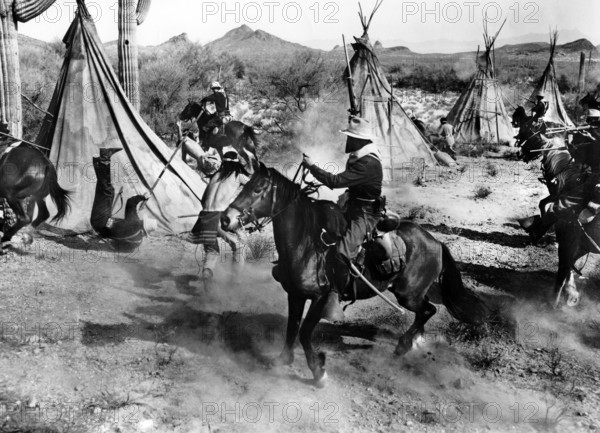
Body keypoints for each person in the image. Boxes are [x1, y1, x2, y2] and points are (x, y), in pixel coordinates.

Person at [302, 116, 384, 322]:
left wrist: (312, 167)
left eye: (351, 137)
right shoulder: (359, 157)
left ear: (360, 141)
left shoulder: (367, 163)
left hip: (365, 213)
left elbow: (336, 181)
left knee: (341, 251)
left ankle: (336, 294)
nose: (347, 141)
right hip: (352, 205)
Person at [521, 109, 600, 240]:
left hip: (595, 177)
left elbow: (590, 152)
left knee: (563, 203)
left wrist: (576, 147)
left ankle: (541, 230)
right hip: (591, 172)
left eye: (592, 121)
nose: (589, 123)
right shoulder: (594, 135)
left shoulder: (596, 136)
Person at [189, 148, 251, 284]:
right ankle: (235, 282)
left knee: (212, 252)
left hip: (203, 217)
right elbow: (255, 188)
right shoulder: (237, 175)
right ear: (237, 163)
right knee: (239, 246)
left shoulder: (216, 175)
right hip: (217, 217)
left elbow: (203, 199)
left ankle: (207, 273)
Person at [91, 148, 149, 251]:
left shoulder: (135, 223)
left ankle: (105, 157)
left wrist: (143, 197)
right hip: (100, 226)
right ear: (143, 232)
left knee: (107, 191)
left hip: (101, 220)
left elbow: (130, 203)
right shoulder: (136, 242)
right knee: (109, 190)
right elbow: (116, 243)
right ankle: (97, 162)